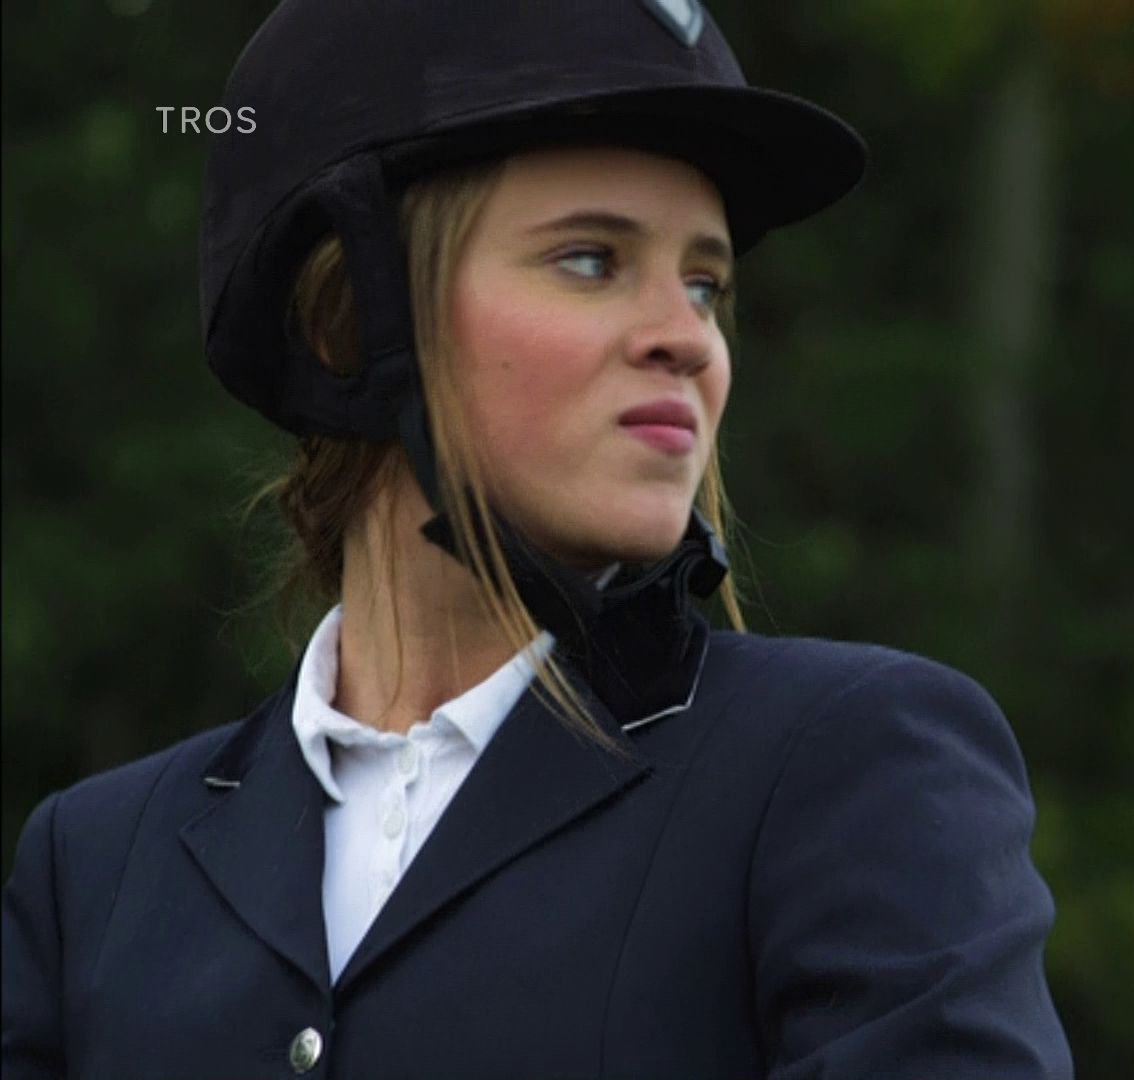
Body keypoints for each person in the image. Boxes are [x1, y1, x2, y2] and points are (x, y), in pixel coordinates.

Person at [0, 2, 1073, 1077]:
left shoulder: (851, 771)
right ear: (349, 321)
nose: (688, 338)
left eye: (705, 285)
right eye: (592, 260)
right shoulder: (91, 868)